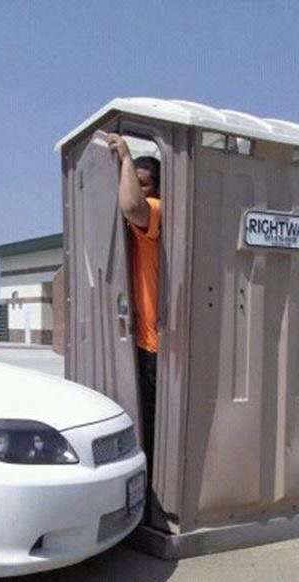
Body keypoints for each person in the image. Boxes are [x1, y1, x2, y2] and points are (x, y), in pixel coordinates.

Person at [106, 134, 161, 483]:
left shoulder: (155, 209)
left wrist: (126, 157)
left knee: (152, 429)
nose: (137, 190)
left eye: (144, 184)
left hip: (155, 346)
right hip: (135, 341)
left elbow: (132, 206)